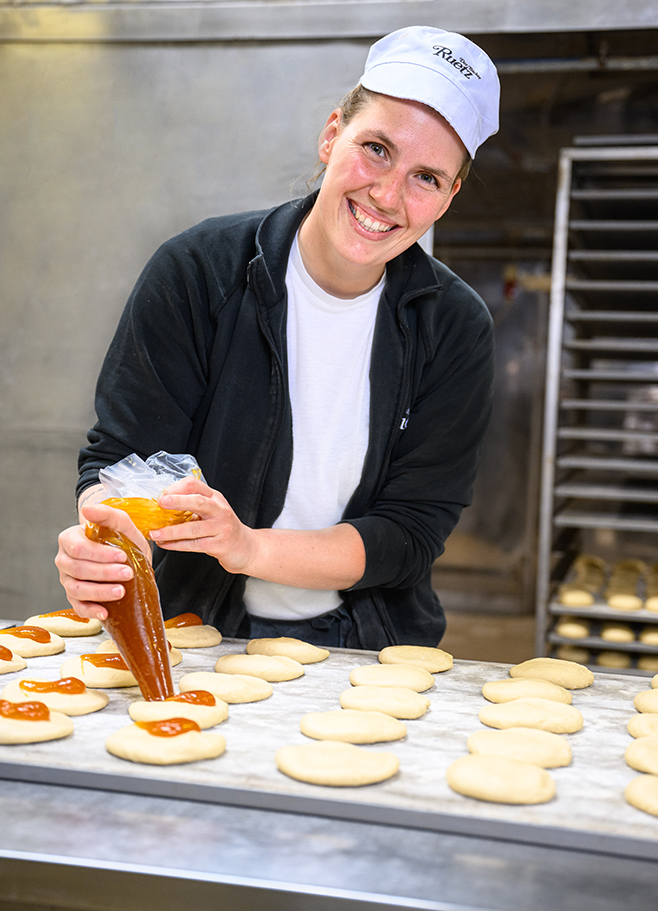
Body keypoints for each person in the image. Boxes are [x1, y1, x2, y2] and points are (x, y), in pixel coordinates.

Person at [55, 25, 500, 650]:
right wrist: (99, 543)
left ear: (448, 199)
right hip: (197, 636)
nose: (387, 193)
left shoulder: (452, 326)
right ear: (330, 134)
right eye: (376, 148)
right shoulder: (198, 273)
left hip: (370, 649)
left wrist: (248, 547)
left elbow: (409, 532)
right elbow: (124, 461)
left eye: (427, 177)